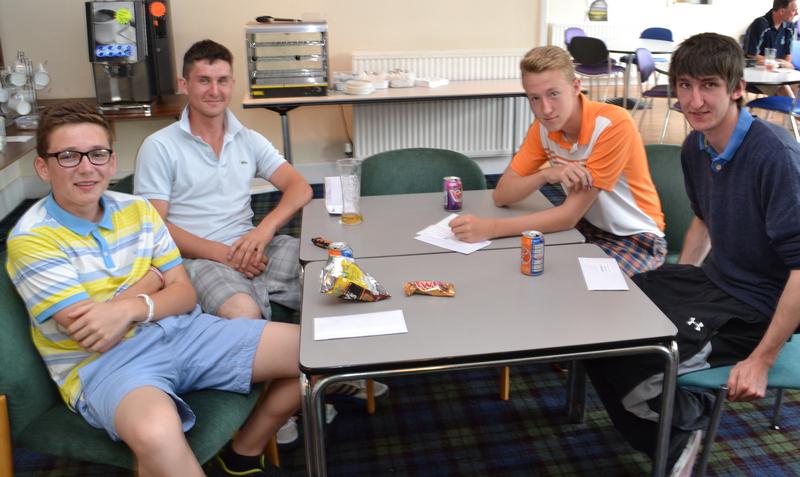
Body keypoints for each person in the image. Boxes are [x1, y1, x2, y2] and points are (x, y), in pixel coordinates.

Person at [5, 101, 301, 476]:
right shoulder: (32, 239)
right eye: (68, 156)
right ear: (43, 167)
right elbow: (90, 330)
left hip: (186, 333)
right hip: (108, 365)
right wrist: (154, 281)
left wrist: (128, 307)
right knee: (158, 433)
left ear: (112, 161)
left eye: (97, 154)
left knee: (318, 350)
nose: (86, 167)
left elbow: (185, 294)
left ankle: (243, 451)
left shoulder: (139, 210)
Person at [585, 33, 800, 476]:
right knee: (600, 317)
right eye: (685, 85)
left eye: (709, 86)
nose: (694, 101)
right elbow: (703, 218)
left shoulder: (776, 156)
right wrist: (679, 284)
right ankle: (672, 420)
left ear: (737, 88)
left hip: (761, 304)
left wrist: (760, 359)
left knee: (640, 350)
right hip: (717, 281)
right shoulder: (696, 146)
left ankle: (678, 436)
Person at [135, 39, 312, 322]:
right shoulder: (159, 146)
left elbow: (300, 188)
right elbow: (155, 227)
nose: (215, 91)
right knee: (244, 312)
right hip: (197, 259)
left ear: (232, 84)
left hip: (252, 247)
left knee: (332, 271)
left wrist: (263, 232)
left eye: (222, 81)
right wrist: (224, 254)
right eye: (204, 80)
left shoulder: (248, 139)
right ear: (184, 85)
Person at [449, 45, 666, 276]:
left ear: (575, 87)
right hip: (588, 226)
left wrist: (490, 228)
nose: (545, 109)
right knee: (519, 268)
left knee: (569, 284)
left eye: (553, 94)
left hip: (635, 238)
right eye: (535, 98)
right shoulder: (543, 128)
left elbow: (568, 216)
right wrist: (546, 174)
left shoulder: (612, 125)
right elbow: (502, 195)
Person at [744, 0, 798, 96]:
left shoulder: (790, 26)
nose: (797, 13)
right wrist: (778, 63)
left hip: (777, 71)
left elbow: (788, 54)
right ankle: (790, 105)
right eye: (794, 10)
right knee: (784, 88)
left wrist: (786, 65)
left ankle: (788, 105)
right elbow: (751, 55)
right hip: (757, 70)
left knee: (796, 83)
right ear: (782, 11)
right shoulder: (760, 24)